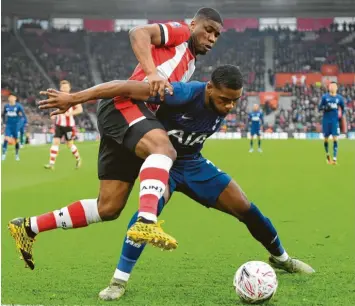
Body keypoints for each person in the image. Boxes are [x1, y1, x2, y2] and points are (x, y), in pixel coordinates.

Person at [38, 65, 315, 301]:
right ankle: (118, 281)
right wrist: (75, 98)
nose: (229, 106)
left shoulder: (222, 102)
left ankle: (282, 259)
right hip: (164, 163)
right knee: (147, 216)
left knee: (245, 206)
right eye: (224, 100)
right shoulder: (181, 93)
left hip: (194, 164)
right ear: (209, 88)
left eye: (235, 101)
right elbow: (122, 87)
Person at [8, 8, 224, 270]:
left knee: (108, 207)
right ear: (193, 25)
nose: (212, 38)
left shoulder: (190, 62)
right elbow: (138, 32)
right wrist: (151, 71)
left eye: (217, 35)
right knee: (163, 149)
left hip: (131, 119)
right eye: (208, 30)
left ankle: (28, 227)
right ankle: (146, 222)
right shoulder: (180, 32)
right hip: (124, 105)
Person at [44, 80, 83, 170]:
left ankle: (78, 159)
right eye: (63, 87)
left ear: (69, 88)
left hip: (68, 126)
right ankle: (51, 164)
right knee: (55, 142)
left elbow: (80, 109)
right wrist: (54, 114)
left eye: (66, 87)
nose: (64, 89)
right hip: (59, 125)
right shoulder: (58, 98)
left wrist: (70, 113)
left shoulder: (74, 98)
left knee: (69, 144)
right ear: (60, 88)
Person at [319, 82, 346, 165]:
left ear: (336, 88)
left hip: (334, 121)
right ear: (329, 88)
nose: (332, 87)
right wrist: (325, 108)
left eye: (334, 86)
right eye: (331, 86)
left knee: (335, 139)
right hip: (326, 121)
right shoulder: (325, 97)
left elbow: (343, 108)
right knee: (326, 139)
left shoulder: (339, 98)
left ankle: (334, 159)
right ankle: (328, 156)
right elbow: (319, 108)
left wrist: (341, 117)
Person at [2, 94, 26, 161]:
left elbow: (23, 114)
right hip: (9, 125)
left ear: (15, 98)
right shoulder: (6, 106)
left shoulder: (18, 106)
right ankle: (3, 154)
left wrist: (24, 122)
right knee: (6, 139)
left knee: (16, 140)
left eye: (12, 97)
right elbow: (3, 114)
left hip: (15, 125)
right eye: (10, 97)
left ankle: (17, 154)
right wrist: (4, 122)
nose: (11, 98)